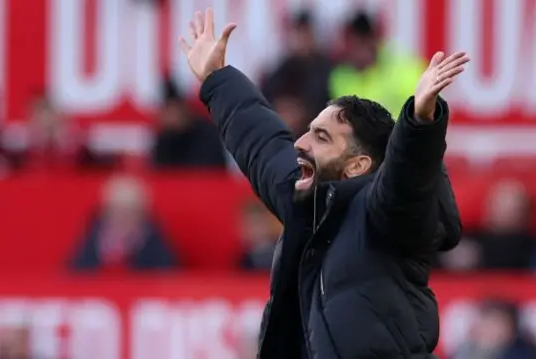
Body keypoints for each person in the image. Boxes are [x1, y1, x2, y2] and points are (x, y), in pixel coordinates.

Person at [179, 8, 467, 359]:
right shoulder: (306, 201)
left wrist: (420, 122)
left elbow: (409, 180)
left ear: (358, 165)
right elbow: (263, 143)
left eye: (321, 137)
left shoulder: (387, 215)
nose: (300, 142)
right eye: (308, 131)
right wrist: (216, 77)